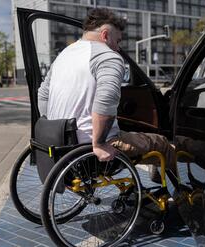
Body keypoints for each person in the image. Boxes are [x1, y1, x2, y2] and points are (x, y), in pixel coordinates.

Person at [37, 8, 176, 175]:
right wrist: (99, 144)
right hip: (91, 146)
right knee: (162, 144)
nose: (117, 48)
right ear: (105, 35)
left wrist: (55, 129)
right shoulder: (108, 57)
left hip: (61, 144)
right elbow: (106, 101)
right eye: (117, 41)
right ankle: (178, 195)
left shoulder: (63, 55)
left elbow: (43, 95)